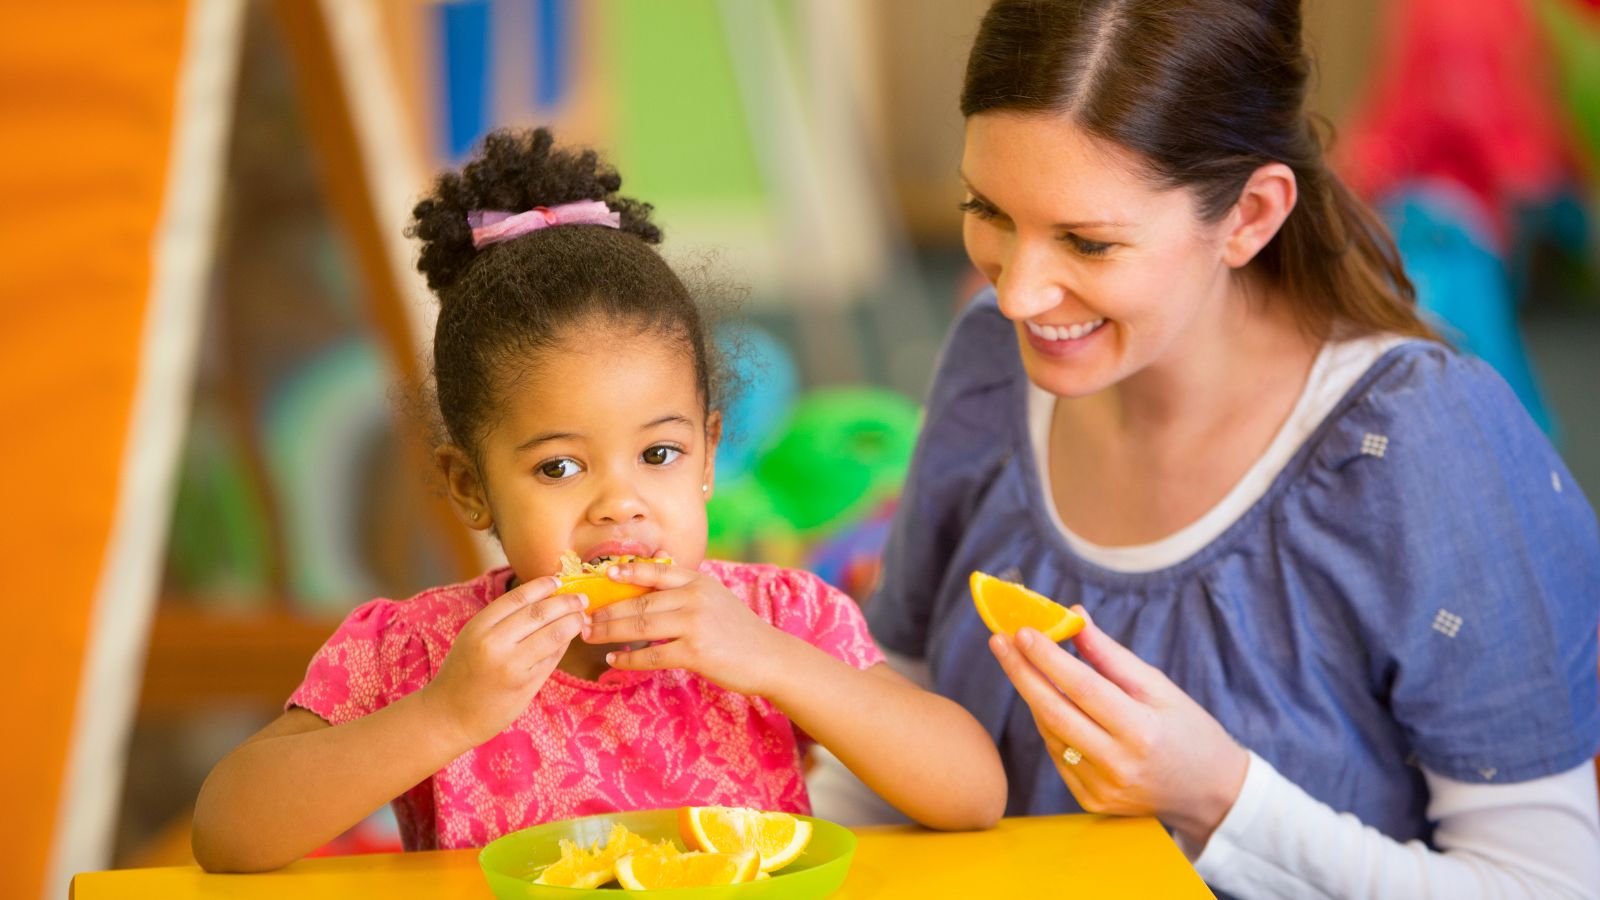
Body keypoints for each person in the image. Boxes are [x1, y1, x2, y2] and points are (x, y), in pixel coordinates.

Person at [859, 1, 1600, 897]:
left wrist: (1219, 796)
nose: (1018, 294)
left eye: (1088, 241)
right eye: (990, 211)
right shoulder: (990, 356)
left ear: (1250, 214)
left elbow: (1546, 886)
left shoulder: (1425, 446)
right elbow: (884, 713)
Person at [191, 128, 1005, 872]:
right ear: (471, 487)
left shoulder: (780, 618)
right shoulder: (419, 652)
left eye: (659, 454)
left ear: (709, 458)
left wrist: (771, 662)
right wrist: (445, 716)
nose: (621, 503)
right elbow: (227, 832)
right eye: (558, 468)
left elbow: (973, 794)